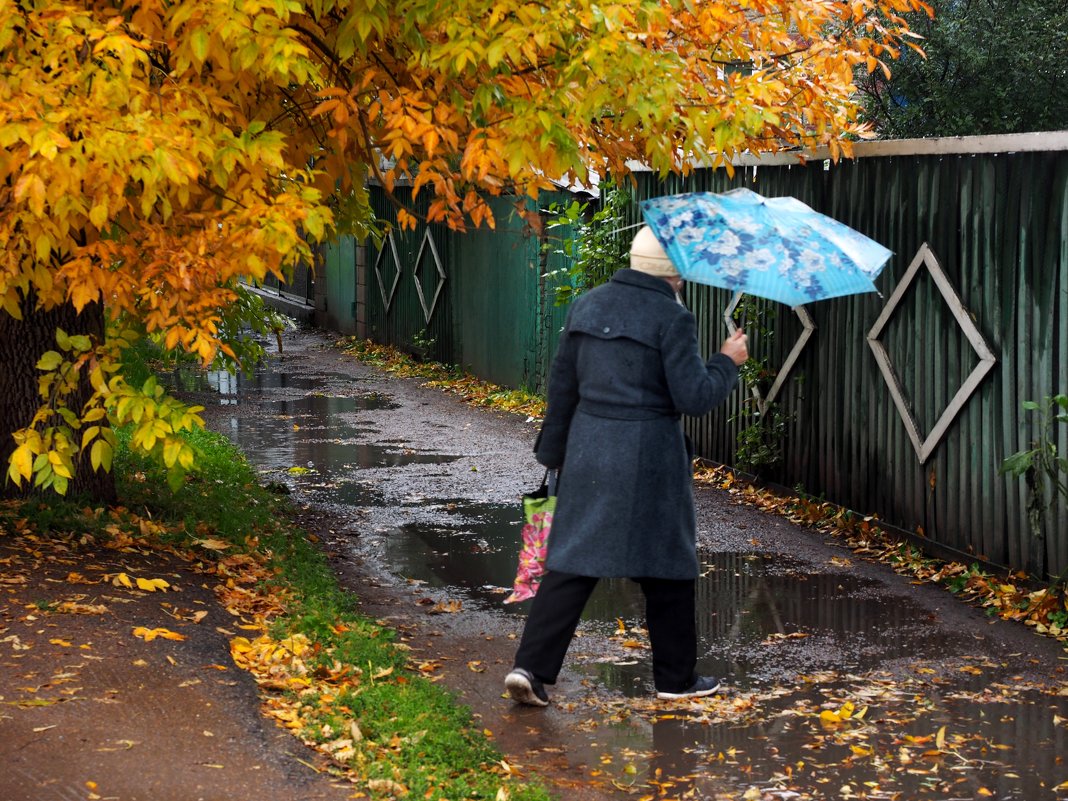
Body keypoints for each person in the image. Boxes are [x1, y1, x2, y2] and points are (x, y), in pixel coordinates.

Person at [505, 225, 748, 706]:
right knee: (667, 566)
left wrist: (553, 457)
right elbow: (694, 398)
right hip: (650, 455)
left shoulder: (588, 304)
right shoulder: (672, 317)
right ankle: (674, 680)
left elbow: (562, 388)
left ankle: (529, 668)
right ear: (675, 273)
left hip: (589, 446)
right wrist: (726, 360)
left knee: (571, 562)